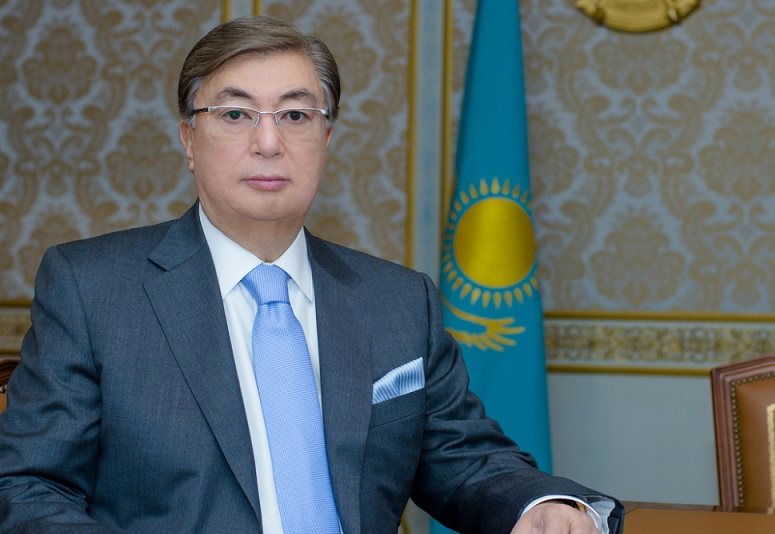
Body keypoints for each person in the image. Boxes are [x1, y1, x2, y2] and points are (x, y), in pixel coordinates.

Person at [0, 15, 623, 534]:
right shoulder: (92, 289)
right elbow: (29, 486)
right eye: (235, 114)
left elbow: (464, 459)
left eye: (296, 116)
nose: (269, 143)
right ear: (189, 138)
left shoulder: (398, 301)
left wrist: (542, 506)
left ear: (326, 136)